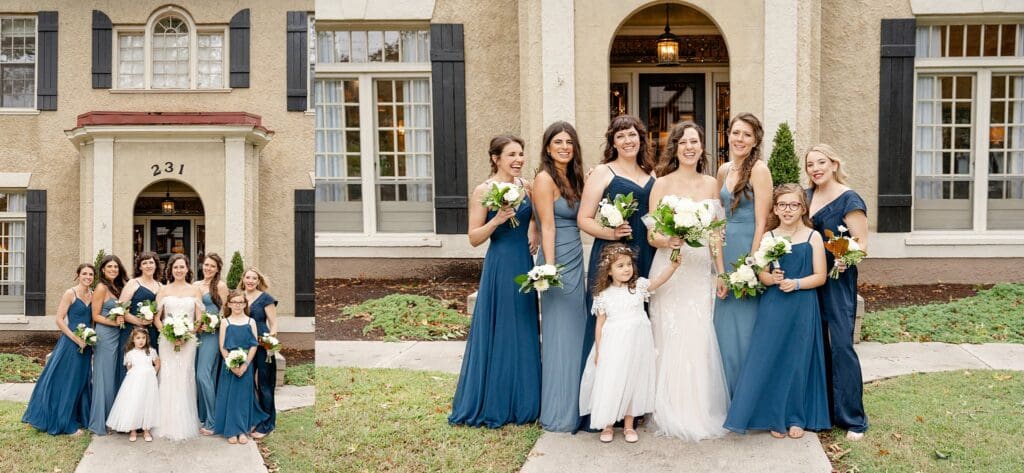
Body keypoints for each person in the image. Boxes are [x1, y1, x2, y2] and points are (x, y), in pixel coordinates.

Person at [723, 184, 831, 438]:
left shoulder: (812, 237)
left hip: (803, 305)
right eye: (782, 205)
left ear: (803, 208)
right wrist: (771, 278)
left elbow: (821, 276)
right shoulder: (769, 237)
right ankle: (773, 416)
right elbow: (760, 272)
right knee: (771, 357)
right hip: (774, 305)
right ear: (774, 208)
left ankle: (795, 417)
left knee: (797, 360)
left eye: (794, 205)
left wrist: (796, 283)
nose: (788, 210)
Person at [449, 135, 541, 428]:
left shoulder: (526, 186)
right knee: (501, 327)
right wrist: (497, 219)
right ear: (495, 158)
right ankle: (497, 400)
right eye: (511, 154)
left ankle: (526, 402)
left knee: (524, 327)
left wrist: (534, 230)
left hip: (524, 263)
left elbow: (537, 216)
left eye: (521, 154)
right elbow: (474, 238)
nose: (518, 159)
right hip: (500, 264)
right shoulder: (483, 191)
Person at [647, 121, 730, 441]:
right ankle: (663, 406)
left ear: (701, 147)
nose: (689, 147)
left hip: (698, 272)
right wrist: (669, 241)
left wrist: (720, 271)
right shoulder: (661, 183)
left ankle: (697, 407)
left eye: (695, 141)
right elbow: (652, 233)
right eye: (683, 142)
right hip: (668, 268)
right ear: (676, 148)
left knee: (697, 334)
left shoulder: (711, 184)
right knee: (666, 335)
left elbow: (716, 235)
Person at [576, 114, 656, 431]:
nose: (627, 140)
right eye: (620, 136)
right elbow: (584, 218)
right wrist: (610, 233)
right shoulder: (602, 173)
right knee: (608, 328)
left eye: (632, 134)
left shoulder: (652, 174)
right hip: (611, 254)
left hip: (645, 254)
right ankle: (602, 408)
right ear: (613, 142)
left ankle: (633, 409)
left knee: (638, 326)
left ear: (641, 138)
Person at [578, 243, 680, 443]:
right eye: (620, 266)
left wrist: (673, 266)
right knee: (612, 380)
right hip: (614, 345)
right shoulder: (604, 295)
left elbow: (658, 281)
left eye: (628, 264)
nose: (626, 269)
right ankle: (607, 425)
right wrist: (599, 350)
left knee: (635, 380)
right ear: (608, 271)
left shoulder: (639, 286)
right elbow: (599, 325)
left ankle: (628, 425)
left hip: (638, 343)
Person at [805, 144, 869, 441]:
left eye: (821, 162)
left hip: (838, 279)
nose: (815, 168)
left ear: (834, 164)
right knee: (815, 343)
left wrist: (846, 258)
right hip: (810, 278)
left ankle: (853, 418)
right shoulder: (806, 197)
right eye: (810, 165)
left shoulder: (849, 198)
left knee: (841, 344)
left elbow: (862, 243)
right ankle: (823, 410)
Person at [713, 113, 773, 397]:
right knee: (723, 324)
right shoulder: (723, 170)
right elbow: (717, 215)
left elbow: (763, 220)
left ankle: (748, 395)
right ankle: (727, 395)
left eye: (747, 134)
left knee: (746, 325)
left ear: (756, 140)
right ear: (728, 134)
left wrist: (752, 263)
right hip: (725, 249)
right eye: (736, 133)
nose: (740, 139)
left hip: (749, 249)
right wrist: (720, 265)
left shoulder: (760, 170)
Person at [533, 121, 587, 432]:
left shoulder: (573, 176)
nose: (564, 146)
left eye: (569, 142)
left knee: (576, 332)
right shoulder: (544, 179)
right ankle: (559, 412)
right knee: (559, 334)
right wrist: (550, 268)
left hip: (575, 255)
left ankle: (576, 405)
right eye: (558, 142)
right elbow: (547, 226)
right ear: (548, 147)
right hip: (556, 260)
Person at [22, 264, 96, 435]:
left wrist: (90, 338)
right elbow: (59, 320)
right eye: (84, 273)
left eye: (91, 274)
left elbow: (92, 321)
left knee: (81, 381)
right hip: (70, 343)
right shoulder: (71, 293)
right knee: (67, 381)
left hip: (86, 345)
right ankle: (66, 423)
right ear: (78, 275)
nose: (88, 277)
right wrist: (76, 338)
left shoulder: (92, 295)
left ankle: (81, 417)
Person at [153, 253, 203, 440]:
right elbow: (156, 319)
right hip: (167, 340)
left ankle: (186, 420)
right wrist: (168, 334)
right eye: (176, 267)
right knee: (167, 376)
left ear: (187, 269)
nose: (179, 270)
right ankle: (165, 421)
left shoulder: (195, 290)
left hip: (189, 341)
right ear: (170, 270)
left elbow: (199, 319)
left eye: (182, 267)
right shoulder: (163, 291)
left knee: (185, 375)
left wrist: (188, 335)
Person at [213, 291, 268, 444]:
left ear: (245, 304)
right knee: (230, 396)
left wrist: (245, 365)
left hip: (245, 365)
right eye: (234, 302)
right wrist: (231, 364)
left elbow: (253, 345)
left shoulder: (251, 322)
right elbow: (222, 346)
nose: (237, 305)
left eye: (240, 302)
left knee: (243, 397)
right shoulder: (225, 322)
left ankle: (242, 430)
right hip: (229, 365)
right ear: (229, 304)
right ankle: (231, 430)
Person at [89, 254, 129, 435]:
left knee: (114, 375)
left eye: (116, 267)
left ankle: (114, 417)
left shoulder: (118, 287)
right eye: (110, 267)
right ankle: (101, 420)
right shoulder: (100, 288)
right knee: (104, 377)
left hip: (118, 336)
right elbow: (95, 316)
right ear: (103, 270)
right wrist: (115, 323)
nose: (113, 269)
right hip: (105, 335)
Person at [239, 267, 278, 437]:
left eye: (254, 278)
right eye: (248, 277)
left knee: (264, 383)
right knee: (246, 383)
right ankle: (253, 419)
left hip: (262, 344)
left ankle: (267, 423)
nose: (250, 281)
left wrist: (270, 340)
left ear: (258, 281)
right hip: (243, 345)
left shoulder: (266, 299)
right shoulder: (239, 298)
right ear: (243, 279)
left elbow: (274, 324)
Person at [106, 328, 161, 442]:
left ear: (147, 339)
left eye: (143, 338)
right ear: (133, 340)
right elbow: (129, 368)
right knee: (134, 403)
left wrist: (152, 373)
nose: (141, 340)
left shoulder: (151, 351)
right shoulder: (130, 353)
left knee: (147, 404)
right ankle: (133, 430)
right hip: (134, 383)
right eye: (138, 338)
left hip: (149, 382)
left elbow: (157, 363)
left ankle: (146, 430)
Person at [195, 253, 229, 435]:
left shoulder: (221, 286)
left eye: (212, 266)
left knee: (203, 375)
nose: (208, 268)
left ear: (217, 269)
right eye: (206, 265)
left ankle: (213, 420)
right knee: (196, 375)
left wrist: (214, 323)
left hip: (211, 334)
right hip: (195, 334)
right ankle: (202, 414)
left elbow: (226, 312)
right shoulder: (194, 285)